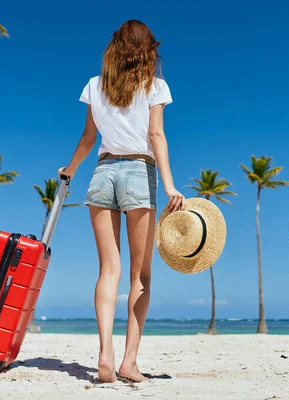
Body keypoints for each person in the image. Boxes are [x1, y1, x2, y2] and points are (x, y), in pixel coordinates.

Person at [58, 20, 184, 383]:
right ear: (149, 51)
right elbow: (156, 134)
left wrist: (70, 169)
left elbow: (87, 137)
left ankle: (104, 354)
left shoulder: (95, 86)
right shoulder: (155, 86)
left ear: (114, 47)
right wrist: (171, 185)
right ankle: (128, 361)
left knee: (107, 271)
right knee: (139, 275)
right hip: (138, 176)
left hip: (102, 173)